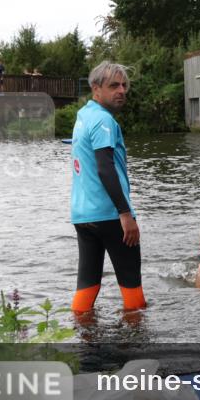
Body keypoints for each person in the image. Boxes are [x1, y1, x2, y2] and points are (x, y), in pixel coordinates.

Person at [69, 61, 145, 314]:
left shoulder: (84, 116)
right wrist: (125, 213)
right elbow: (105, 168)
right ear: (96, 88)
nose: (122, 90)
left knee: (88, 283)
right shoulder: (103, 121)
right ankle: (135, 342)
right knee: (131, 284)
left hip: (83, 215)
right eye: (114, 85)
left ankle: (82, 337)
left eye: (124, 85)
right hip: (111, 214)